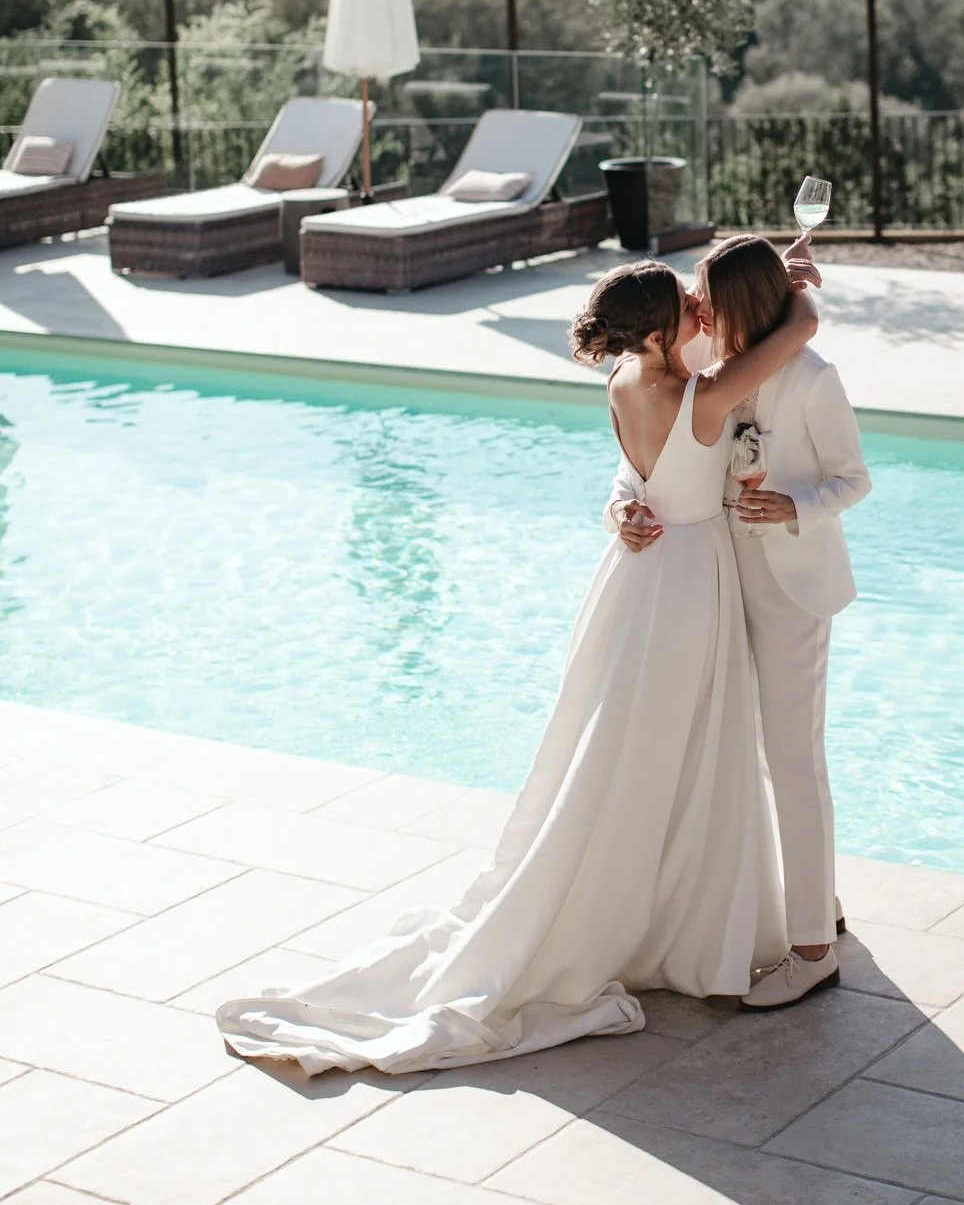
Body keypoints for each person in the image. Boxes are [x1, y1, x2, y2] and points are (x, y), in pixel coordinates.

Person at [216, 259, 818, 1077]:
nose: (698, 310)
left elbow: (632, 477)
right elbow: (799, 333)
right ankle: (680, 918)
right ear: (654, 334)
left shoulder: (622, 381)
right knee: (683, 748)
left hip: (636, 578)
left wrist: (621, 509)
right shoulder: (701, 398)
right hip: (687, 587)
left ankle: (657, 900)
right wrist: (797, 285)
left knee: (621, 749)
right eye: (685, 306)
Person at [608, 233, 870, 1011]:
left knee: (792, 757)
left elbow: (854, 478)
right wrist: (621, 506)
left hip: (789, 586)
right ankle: (813, 902)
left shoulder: (813, 380)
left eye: (709, 298)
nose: (698, 308)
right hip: (715, 584)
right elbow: (645, 459)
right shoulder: (704, 367)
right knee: (741, 755)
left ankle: (815, 950)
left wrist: (799, 507)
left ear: (741, 306)